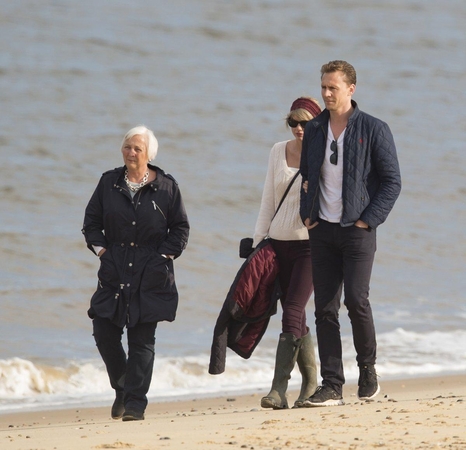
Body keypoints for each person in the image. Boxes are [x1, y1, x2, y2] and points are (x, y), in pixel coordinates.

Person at [299, 60, 401, 407]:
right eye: (323, 87)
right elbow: (307, 175)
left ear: (351, 89)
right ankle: (331, 384)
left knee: (357, 301)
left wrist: (367, 220)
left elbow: (392, 182)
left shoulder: (374, 128)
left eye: (333, 87)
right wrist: (307, 214)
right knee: (325, 309)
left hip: (357, 231)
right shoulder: (315, 128)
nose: (327, 93)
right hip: (322, 230)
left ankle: (367, 370)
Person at [82, 125, 189, 421]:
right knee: (103, 330)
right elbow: (91, 223)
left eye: (137, 148)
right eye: (127, 147)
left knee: (142, 339)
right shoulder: (108, 182)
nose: (131, 152)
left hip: (151, 270)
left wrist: (162, 257)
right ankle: (123, 386)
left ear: (149, 154)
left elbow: (180, 229)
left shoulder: (167, 187)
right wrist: (103, 252)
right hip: (114, 267)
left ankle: (135, 405)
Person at [253, 97, 322, 409]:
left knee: (293, 310)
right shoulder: (277, 151)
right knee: (296, 313)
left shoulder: (325, 155)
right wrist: (258, 242)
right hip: (277, 244)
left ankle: (278, 390)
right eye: (293, 122)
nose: (298, 128)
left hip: (310, 245)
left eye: (305, 123)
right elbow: (268, 199)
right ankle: (310, 383)